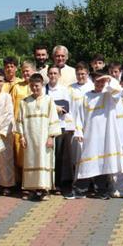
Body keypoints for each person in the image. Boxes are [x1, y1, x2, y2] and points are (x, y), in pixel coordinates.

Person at [73, 72, 123, 199]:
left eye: (102, 82)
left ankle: (101, 190)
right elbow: (79, 115)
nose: (100, 84)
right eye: (97, 81)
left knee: (102, 162)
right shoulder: (86, 96)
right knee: (88, 161)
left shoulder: (109, 95)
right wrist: (79, 131)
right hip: (90, 134)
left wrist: (110, 79)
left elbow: (120, 90)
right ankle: (81, 189)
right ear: (93, 82)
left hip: (106, 135)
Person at [17, 74, 61, 200]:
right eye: (32, 86)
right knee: (31, 161)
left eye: (37, 86)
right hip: (30, 137)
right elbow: (20, 121)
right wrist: (22, 136)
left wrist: (51, 137)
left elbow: (53, 119)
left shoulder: (48, 100)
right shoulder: (24, 102)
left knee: (44, 161)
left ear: (42, 85)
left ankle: (44, 190)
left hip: (44, 137)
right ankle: (32, 189)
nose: (34, 88)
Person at [45, 65, 78, 198]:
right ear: (47, 75)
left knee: (62, 157)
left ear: (59, 75)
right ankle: (49, 184)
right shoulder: (43, 89)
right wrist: (54, 106)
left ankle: (63, 185)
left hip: (61, 126)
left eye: (55, 73)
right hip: (46, 127)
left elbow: (65, 108)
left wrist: (51, 106)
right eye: (50, 73)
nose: (53, 76)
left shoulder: (64, 90)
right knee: (48, 157)